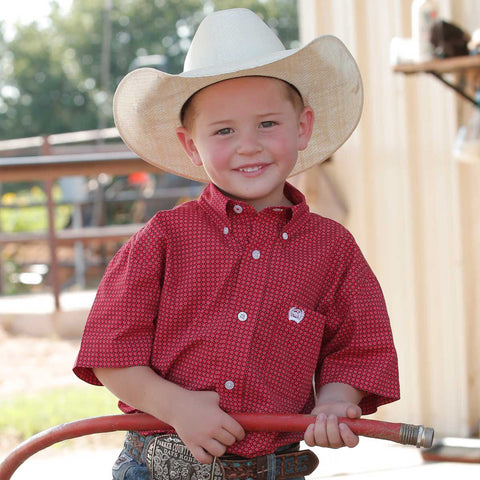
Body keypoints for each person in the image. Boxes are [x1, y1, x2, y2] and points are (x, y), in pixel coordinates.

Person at [74, 8, 400, 480]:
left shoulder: (333, 249)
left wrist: (335, 401)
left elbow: (359, 347)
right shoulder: (162, 239)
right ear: (191, 146)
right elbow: (110, 354)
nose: (249, 145)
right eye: (224, 131)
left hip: (275, 467)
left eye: (268, 124)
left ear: (303, 127)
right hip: (162, 465)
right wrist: (178, 407)